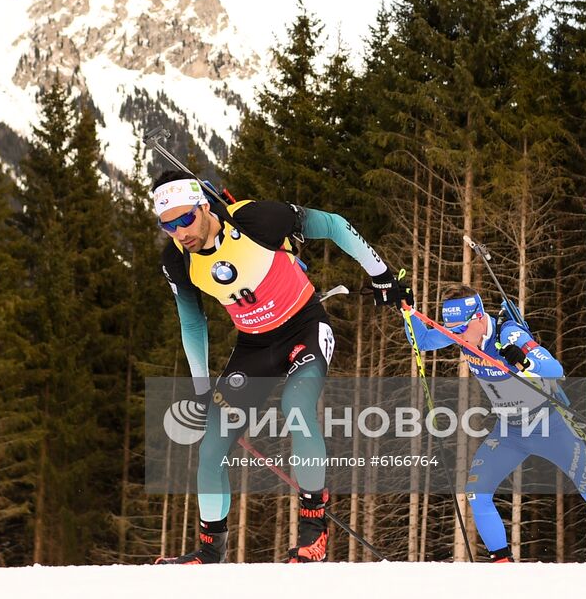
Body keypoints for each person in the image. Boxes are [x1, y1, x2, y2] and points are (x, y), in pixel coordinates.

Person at [150, 170, 409, 564]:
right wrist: (202, 389)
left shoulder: (254, 219)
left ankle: (313, 533)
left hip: (304, 325)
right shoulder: (176, 260)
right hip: (254, 346)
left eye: (185, 219)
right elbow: (192, 322)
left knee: (297, 407)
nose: (180, 232)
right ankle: (208, 551)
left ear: (203, 206)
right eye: (168, 225)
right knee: (211, 447)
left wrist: (381, 274)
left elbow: (334, 225)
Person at [397, 284, 586, 563]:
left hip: (550, 426)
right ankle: (503, 569)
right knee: (477, 493)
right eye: (453, 332)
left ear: (477, 317)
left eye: (460, 331)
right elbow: (421, 341)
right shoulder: (462, 333)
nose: (457, 338)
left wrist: (524, 361)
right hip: (510, 431)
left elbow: (555, 370)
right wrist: (407, 311)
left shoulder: (509, 335)